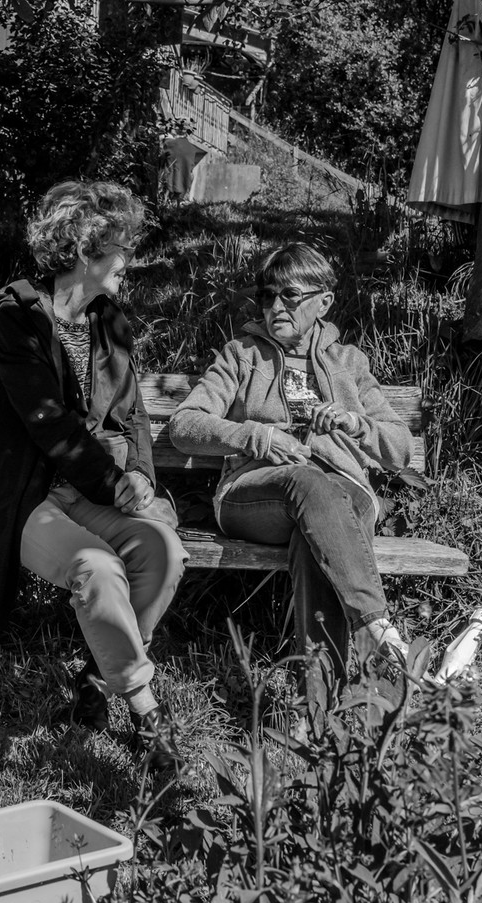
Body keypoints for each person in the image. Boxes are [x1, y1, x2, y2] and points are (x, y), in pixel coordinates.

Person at [0, 180, 187, 755]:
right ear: (85, 251)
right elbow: (48, 423)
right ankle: (146, 711)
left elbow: (136, 413)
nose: (128, 260)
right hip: (30, 497)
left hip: (95, 492)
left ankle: (97, 679)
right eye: (120, 247)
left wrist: (144, 476)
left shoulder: (111, 320)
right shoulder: (20, 320)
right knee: (97, 568)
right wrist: (116, 486)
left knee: (165, 551)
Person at [167, 243, 412, 675]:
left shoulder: (349, 362)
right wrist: (256, 436)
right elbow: (185, 425)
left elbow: (400, 448)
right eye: (267, 296)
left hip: (341, 497)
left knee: (317, 528)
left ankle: (318, 716)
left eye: (290, 295)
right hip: (257, 494)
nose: (275, 306)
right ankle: (377, 627)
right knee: (308, 483)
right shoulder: (242, 354)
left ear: (324, 301)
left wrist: (355, 423)